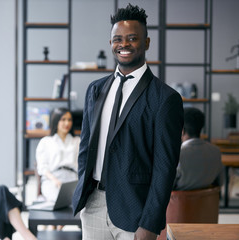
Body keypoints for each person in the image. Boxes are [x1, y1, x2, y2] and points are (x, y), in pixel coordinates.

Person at [72, 4, 184, 240]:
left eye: (132, 38)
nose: (123, 45)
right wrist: (84, 194)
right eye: (117, 39)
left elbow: (165, 169)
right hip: (93, 205)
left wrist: (150, 224)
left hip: (136, 212)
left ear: (146, 43)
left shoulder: (165, 99)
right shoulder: (95, 89)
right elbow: (85, 148)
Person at [36, 108, 80, 202]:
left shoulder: (77, 141)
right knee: (58, 199)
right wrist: (55, 180)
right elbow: (42, 168)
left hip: (73, 178)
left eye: (69, 120)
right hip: (52, 179)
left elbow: (81, 165)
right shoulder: (46, 142)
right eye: (63, 119)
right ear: (56, 121)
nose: (67, 123)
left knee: (78, 200)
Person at [173, 107, 224, 190]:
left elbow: (165, 188)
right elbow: (220, 182)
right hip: (207, 202)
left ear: (182, 130)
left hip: (179, 202)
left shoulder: (177, 154)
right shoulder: (216, 151)